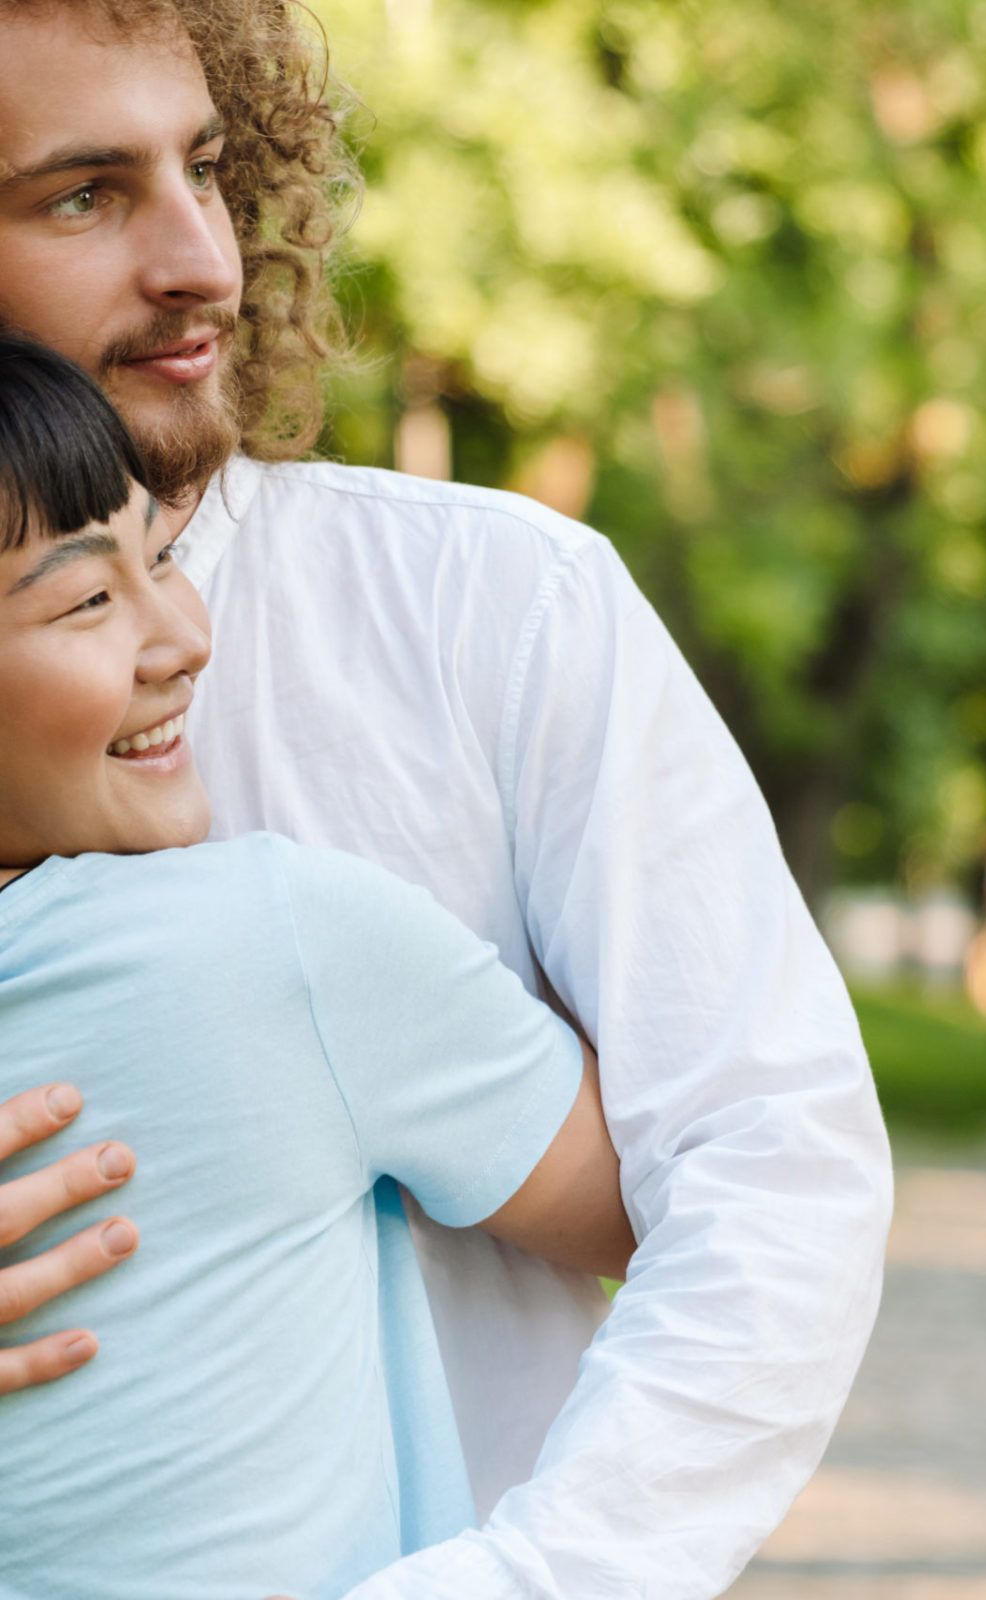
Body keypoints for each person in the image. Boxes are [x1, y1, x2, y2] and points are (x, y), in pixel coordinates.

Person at [0, 3, 893, 1597]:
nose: (202, 257)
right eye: (83, 194)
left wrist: (525, 1582)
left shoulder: (498, 603)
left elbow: (762, 1161)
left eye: (204, 168)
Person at [0, 330, 633, 1600]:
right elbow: (650, 1194)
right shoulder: (279, 942)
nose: (184, 636)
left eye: (165, 556)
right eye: (87, 597)